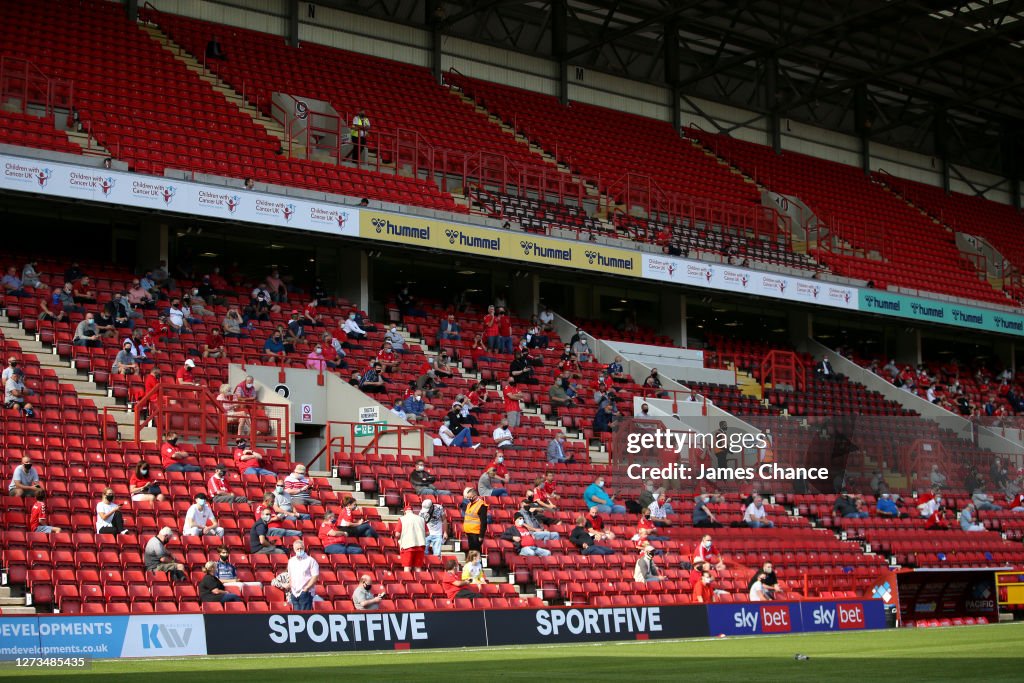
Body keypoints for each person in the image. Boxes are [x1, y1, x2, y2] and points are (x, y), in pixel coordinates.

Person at [287, 540, 320, 610]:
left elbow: (315, 576)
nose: (299, 550)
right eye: (297, 549)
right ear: (294, 550)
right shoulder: (291, 561)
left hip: (306, 593)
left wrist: (306, 588)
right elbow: (290, 575)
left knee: (305, 616)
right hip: (294, 593)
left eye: (301, 548)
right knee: (296, 617)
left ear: (304, 548)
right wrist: (291, 589)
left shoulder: (311, 560)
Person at [395, 506, 427, 572]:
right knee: (418, 568)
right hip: (420, 545)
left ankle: (407, 581)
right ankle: (419, 582)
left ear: (404, 512)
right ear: (412, 511)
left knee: (407, 567)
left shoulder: (402, 519)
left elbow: (397, 534)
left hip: (407, 545)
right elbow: (427, 533)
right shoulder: (421, 519)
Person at [462, 488, 489, 553]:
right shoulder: (469, 505)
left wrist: (481, 536)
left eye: (470, 497)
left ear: (475, 496)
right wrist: (466, 531)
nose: (469, 499)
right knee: (471, 552)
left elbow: (484, 522)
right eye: (468, 497)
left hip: (476, 534)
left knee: (475, 552)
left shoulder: (481, 505)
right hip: (469, 532)